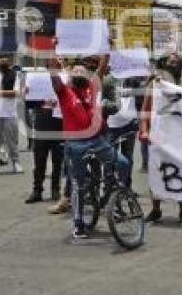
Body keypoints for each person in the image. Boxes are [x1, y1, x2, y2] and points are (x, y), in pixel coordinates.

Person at [47, 56, 130, 240]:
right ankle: (78, 224)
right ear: (69, 74)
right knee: (79, 184)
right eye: (75, 70)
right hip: (75, 144)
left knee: (123, 163)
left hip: (97, 139)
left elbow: (101, 69)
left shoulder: (91, 87)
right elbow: (54, 76)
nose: (78, 72)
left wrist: (106, 54)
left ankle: (110, 196)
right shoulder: (64, 91)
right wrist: (52, 61)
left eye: (82, 71)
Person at [141, 53, 182, 225]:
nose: (174, 61)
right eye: (171, 59)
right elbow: (145, 108)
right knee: (156, 173)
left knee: (180, 173)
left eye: (176, 59)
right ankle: (156, 209)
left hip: (179, 137)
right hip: (158, 135)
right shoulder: (154, 83)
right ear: (164, 63)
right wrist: (144, 130)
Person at [25, 76, 64, 204]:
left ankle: (55, 190)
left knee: (57, 162)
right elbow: (29, 104)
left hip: (59, 127)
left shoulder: (64, 81)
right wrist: (27, 93)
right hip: (42, 127)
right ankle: (37, 190)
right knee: (39, 162)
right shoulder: (37, 82)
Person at [0, 56, 22, 174]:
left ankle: (16, 164)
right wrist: (6, 93)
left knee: (12, 141)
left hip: (10, 113)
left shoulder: (14, 75)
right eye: (1, 61)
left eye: (6, 61)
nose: (4, 63)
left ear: (9, 62)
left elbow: (16, 93)